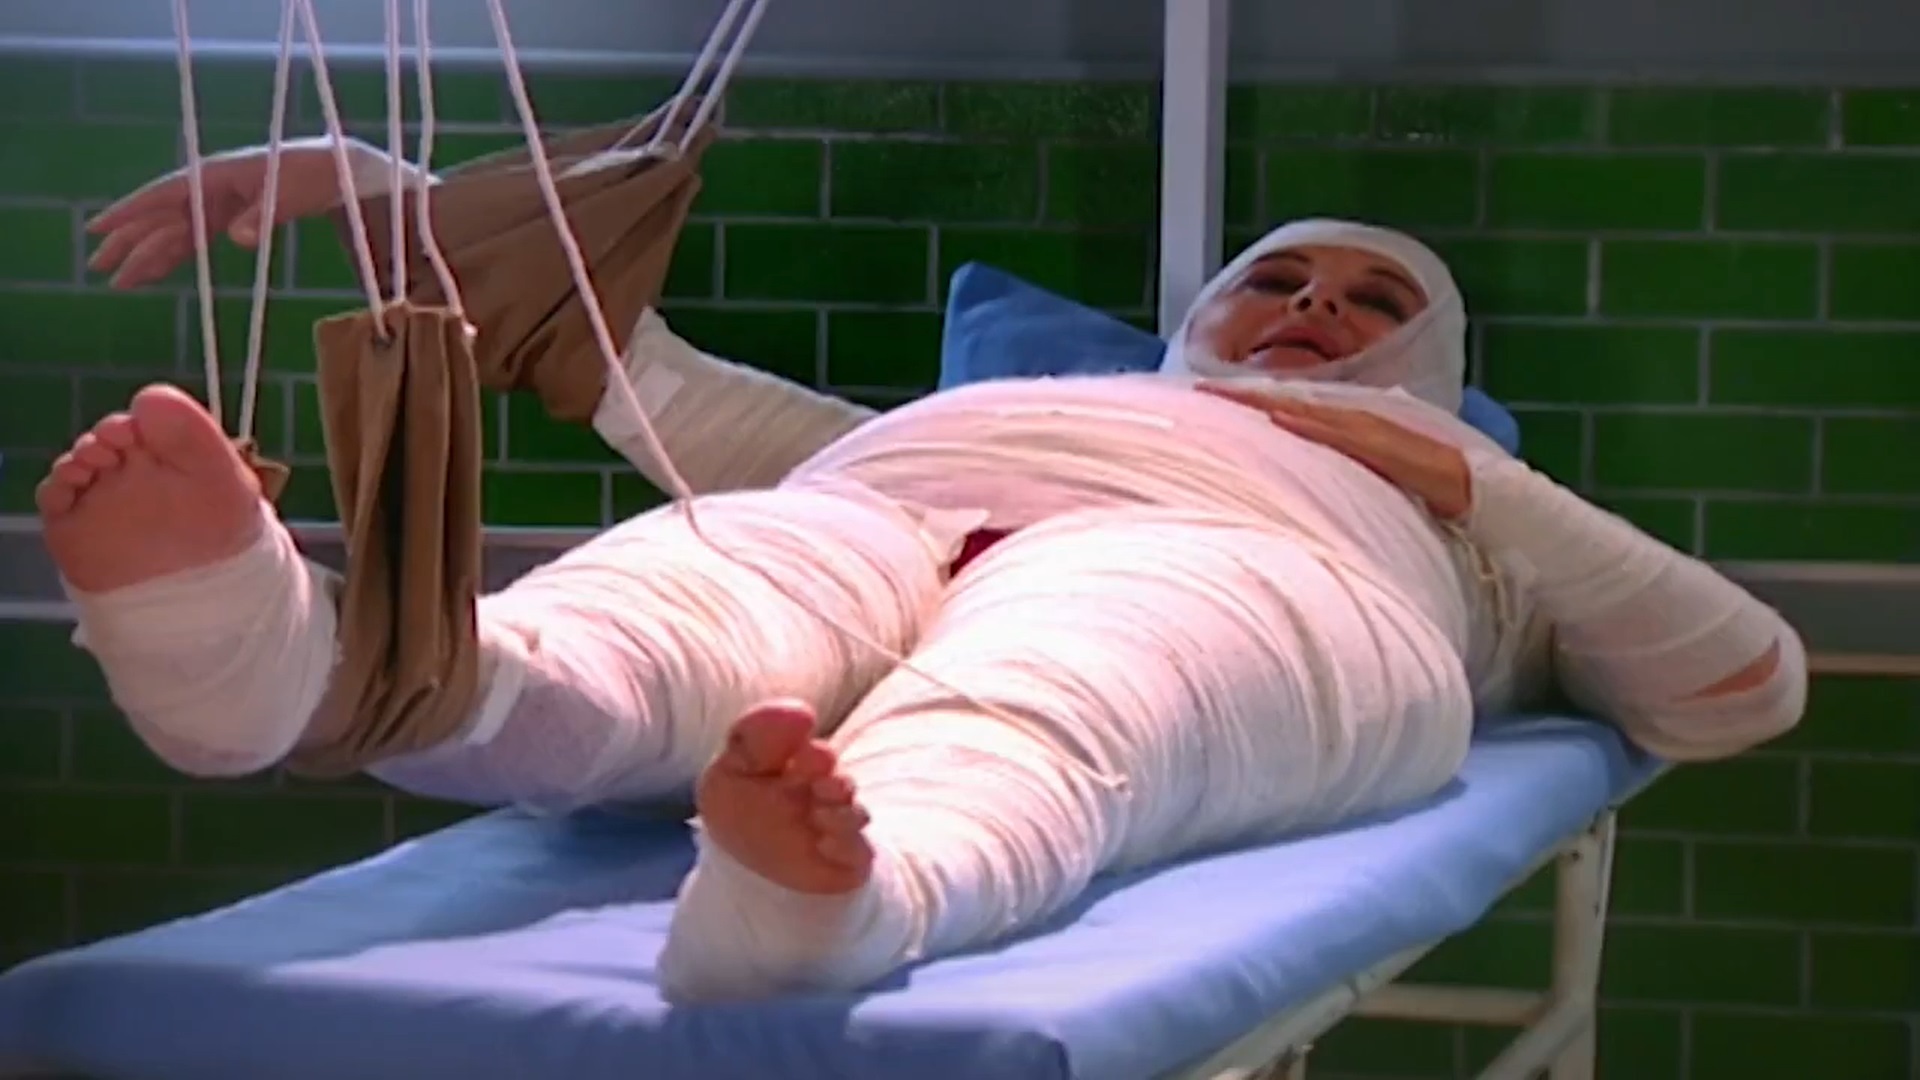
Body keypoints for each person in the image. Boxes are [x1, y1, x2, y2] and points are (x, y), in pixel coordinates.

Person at [41, 137, 1806, 1003]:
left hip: (1259, 574)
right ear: (1200, 318)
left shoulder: (1468, 526)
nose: (1313, 310)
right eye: (1276, 282)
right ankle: (300, 671)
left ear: (1432, 365)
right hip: (890, 501)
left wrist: (1462, 478)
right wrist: (378, 184)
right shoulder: (988, 410)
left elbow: (1740, 687)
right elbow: (614, 359)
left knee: (1073, 680)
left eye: (1373, 304)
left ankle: (843, 902)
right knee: (673, 597)